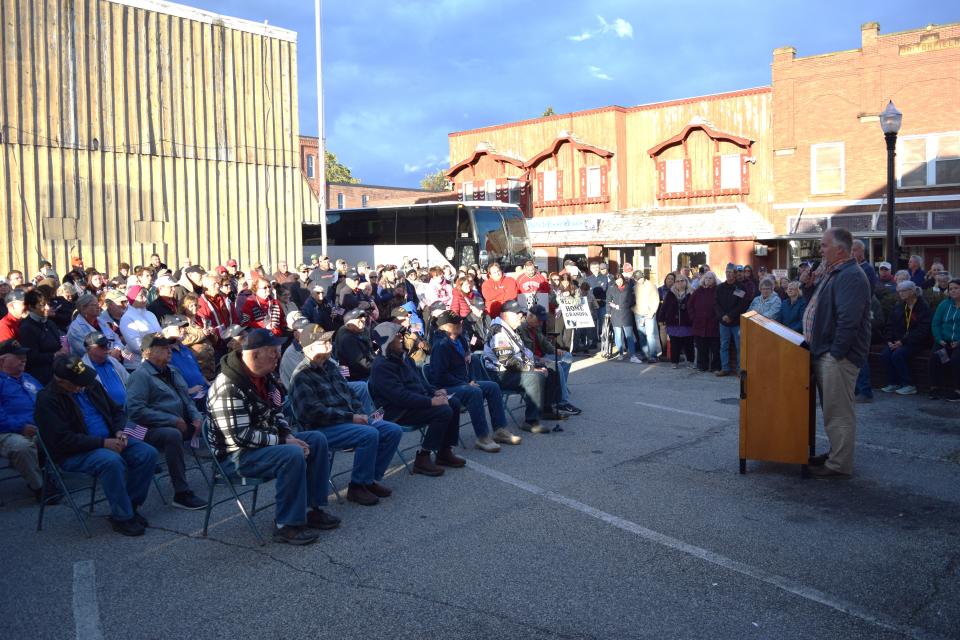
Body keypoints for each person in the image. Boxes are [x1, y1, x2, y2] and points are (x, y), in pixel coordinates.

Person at [207, 329, 338, 545]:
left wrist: (286, 434)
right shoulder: (228, 386)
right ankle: (286, 525)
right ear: (254, 355)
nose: (278, 356)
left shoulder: (264, 377)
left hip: (261, 443)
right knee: (291, 454)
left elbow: (276, 412)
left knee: (316, 439)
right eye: (273, 352)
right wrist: (283, 440)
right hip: (233, 457)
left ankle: (312, 509)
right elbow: (240, 437)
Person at [36, 355, 158, 535]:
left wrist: (118, 431)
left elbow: (117, 412)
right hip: (74, 452)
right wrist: (102, 443)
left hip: (109, 439)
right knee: (111, 461)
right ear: (61, 381)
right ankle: (122, 517)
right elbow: (61, 440)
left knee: (147, 453)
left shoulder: (90, 384)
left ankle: (129, 505)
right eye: (77, 383)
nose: (83, 385)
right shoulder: (47, 399)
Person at [288, 324, 401, 506]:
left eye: (329, 341)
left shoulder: (329, 365)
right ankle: (357, 486)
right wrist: (352, 418)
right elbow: (312, 413)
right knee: (369, 434)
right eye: (323, 343)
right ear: (309, 348)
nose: (329, 345)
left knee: (392, 430)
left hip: (346, 421)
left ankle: (369, 479)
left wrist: (359, 413)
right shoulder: (302, 374)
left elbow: (349, 395)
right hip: (321, 429)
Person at [804, 228, 871, 479]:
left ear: (840, 250)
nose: (820, 250)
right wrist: (809, 287)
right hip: (826, 352)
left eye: (823, 246)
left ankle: (839, 464)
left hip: (837, 357)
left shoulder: (850, 276)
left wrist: (836, 354)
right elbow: (821, 310)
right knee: (832, 409)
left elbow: (848, 321)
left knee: (839, 412)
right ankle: (835, 453)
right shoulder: (834, 273)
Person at [369, 322, 465, 476]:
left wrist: (434, 393)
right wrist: (431, 401)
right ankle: (423, 457)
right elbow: (400, 397)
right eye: (396, 336)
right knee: (443, 411)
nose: (401, 338)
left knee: (453, 402)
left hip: (413, 403)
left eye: (400, 335)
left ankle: (444, 451)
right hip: (397, 411)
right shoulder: (381, 366)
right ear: (387, 342)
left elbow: (419, 383)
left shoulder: (404, 358)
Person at [125, 333, 207, 510]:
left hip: (179, 422)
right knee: (172, 435)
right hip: (145, 429)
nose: (169, 351)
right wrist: (171, 419)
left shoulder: (172, 370)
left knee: (208, 420)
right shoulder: (140, 376)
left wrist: (196, 417)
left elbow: (187, 399)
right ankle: (181, 492)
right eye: (163, 349)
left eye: (168, 348)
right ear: (148, 353)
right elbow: (135, 411)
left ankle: (228, 468)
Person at [429, 311, 507, 452]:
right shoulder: (440, 345)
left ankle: (499, 429)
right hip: (446, 388)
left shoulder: (460, 339)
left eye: (460, 321)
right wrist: (464, 384)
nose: (461, 324)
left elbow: (467, 362)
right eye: (456, 322)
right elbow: (440, 376)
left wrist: (470, 379)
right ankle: (482, 437)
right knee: (474, 392)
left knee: (493, 387)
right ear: (446, 327)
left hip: (464, 383)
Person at [482, 299, 559, 436]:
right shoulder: (499, 331)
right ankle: (531, 421)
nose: (521, 317)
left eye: (521, 314)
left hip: (510, 370)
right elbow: (508, 361)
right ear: (505, 315)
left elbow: (523, 352)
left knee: (551, 370)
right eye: (517, 314)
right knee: (536, 377)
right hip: (500, 374)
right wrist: (531, 368)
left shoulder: (510, 329)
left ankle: (546, 410)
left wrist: (537, 362)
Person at [0, 339, 46, 501]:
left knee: (61, 432)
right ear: (3, 360)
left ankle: (51, 474)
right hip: (7, 432)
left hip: (38, 426)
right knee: (22, 446)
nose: (23, 359)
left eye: (24, 355)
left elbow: (46, 399)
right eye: (18, 356)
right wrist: (20, 427)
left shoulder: (29, 378)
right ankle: (40, 488)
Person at [517, 305, 581, 414]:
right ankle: (561, 402)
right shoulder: (520, 329)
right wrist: (540, 359)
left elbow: (544, 343)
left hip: (542, 355)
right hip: (532, 359)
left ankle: (559, 391)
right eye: (539, 320)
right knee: (556, 365)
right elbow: (522, 353)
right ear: (530, 316)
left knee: (567, 357)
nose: (541, 323)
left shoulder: (536, 326)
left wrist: (555, 350)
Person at [879, 281, 931, 396]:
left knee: (898, 355)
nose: (900, 294)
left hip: (916, 342)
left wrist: (902, 342)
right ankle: (894, 383)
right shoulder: (899, 306)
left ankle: (909, 384)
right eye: (899, 291)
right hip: (898, 341)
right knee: (885, 355)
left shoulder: (922, 307)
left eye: (903, 291)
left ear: (912, 291)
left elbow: (922, 330)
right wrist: (889, 341)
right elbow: (890, 325)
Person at [19, 290, 68, 384]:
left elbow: (58, 344)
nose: (47, 307)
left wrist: (62, 350)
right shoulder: (27, 328)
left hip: (58, 366)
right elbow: (31, 357)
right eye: (42, 305)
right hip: (42, 374)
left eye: (47, 304)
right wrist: (54, 355)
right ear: (31, 307)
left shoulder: (50, 323)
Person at [714, 264, 748, 376]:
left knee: (739, 347)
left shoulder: (741, 287)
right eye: (727, 272)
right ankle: (725, 368)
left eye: (731, 272)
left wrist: (730, 315)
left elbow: (742, 305)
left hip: (736, 322)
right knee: (724, 346)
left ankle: (739, 369)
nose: (729, 274)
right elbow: (716, 304)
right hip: (723, 322)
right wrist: (723, 315)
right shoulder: (720, 288)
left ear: (735, 273)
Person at [929, 279, 960, 402]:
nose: (953, 291)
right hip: (944, 342)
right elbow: (935, 323)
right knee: (936, 358)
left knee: (956, 360)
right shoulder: (944, 304)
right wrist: (939, 339)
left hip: (958, 343)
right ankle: (936, 387)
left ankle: (957, 390)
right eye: (950, 288)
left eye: (956, 288)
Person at [81, 332, 130, 409]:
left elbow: (129, 381)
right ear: (89, 349)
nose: (106, 348)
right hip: (109, 413)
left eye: (106, 344)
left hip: (129, 407)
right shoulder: (84, 368)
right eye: (101, 346)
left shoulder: (112, 361)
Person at [659, 274, 695, 368]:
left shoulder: (692, 292)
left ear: (686, 282)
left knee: (689, 343)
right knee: (675, 343)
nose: (679, 283)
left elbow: (696, 307)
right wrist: (661, 318)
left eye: (682, 280)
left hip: (687, 323)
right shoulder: (670, 293)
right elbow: (664, 307)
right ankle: (674, 362)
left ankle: (690, 361)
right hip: (673, 323)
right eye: (677, 281)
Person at [688, 271, 721, 372]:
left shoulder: (718, 290)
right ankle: (702, 365)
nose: (708, 280)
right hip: (699, 324)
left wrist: (717, 317)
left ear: (714, 280)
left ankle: (715, 367)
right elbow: (690, 304)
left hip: (713, 324)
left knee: (715, 348)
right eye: (706, 278)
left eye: (710, 278)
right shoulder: (698, 291)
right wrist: (693, 317)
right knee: (702, 347)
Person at [119, 285, 162, 364]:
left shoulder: (150, 314)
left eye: (145, 295)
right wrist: (156, 351)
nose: (145, 299)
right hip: (138, 363)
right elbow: (136, 346)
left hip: (158, 357)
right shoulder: (127, 318)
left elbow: (160, 333)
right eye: (141, 296)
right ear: (133, 298)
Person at [607, 271, 641, 363]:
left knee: (629, 336)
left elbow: (631, 301)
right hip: (615, 315)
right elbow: (608, 301)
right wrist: (608, 312)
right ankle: (621, 353)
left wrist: (618, 306)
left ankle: (633, 355)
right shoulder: (611, 288)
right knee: (618, 336)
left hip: (626, 315)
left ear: (623, 279)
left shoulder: (629, 288)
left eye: (620, 280)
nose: (619, 283)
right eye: (617, 281)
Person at [333, 308, 376, 381]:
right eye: (359, 320)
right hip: (355, 376)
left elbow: (368, 347)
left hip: (364, 367)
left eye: (364, 318)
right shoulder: (347, 338)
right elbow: (361, 363)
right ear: (349, 324)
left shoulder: (360, 330)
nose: (363, 321)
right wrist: (377, 366)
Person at [632, 270, 661, 363]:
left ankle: (653, 355)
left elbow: (656, 299)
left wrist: (652, 312)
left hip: (649, 313)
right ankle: (645, 354)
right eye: (636, 279)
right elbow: (632, 300)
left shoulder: (651, 286)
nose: (638, 280)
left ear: (643, 276)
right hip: (638, 313)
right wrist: (633, 309)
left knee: (650, 335)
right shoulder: (635, 287)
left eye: (640, 278)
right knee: (641, 335)